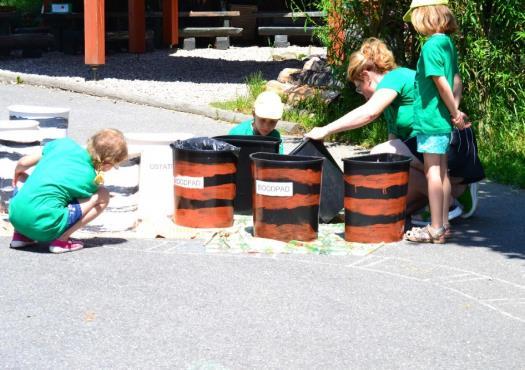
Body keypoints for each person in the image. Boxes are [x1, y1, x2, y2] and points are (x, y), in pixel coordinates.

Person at [403, 0, 469, 244]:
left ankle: (435, 227)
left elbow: (441, 82)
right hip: (442, 119)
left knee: (432, 172)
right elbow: (456, 80)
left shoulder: (431, 46)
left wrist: (454, 111)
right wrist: (456, 110)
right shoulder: (447, 43)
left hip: (431, 119)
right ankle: (443, 226)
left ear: (424, 16)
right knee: (442, 172)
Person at [8, 128, 128, 253]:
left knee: (24, 176)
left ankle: (21, 235)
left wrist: (18, 172)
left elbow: (23, 162)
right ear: (107, 164)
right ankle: (61, 240)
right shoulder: (91, 178)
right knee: (102, 195)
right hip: (45, 227)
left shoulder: (64, 144)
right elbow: (73, 201)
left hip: (15, 217)